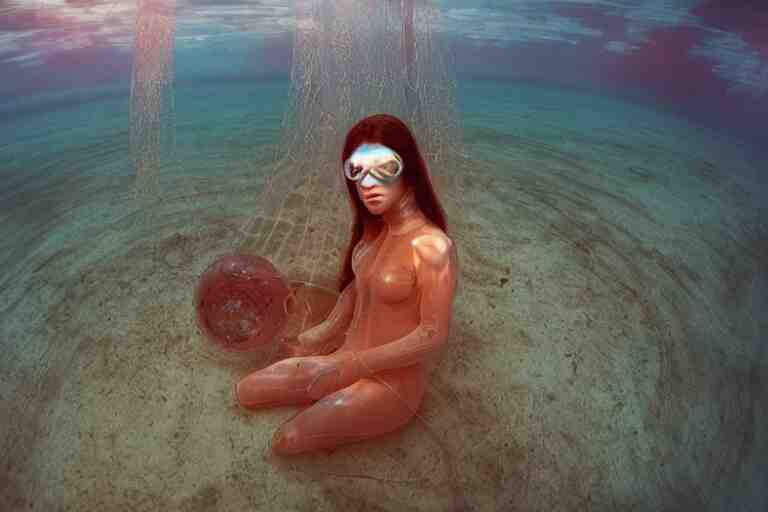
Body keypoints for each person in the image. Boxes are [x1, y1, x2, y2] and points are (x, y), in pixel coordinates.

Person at [235, 113, 459, 455]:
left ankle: (350, 400)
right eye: (357, 170)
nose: (368, 183)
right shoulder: (373, 234)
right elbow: (358, 290)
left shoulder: (431, 246)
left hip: (391, 382)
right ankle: (333, 382)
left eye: (383, 168)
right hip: (343, 359)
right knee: (246, 391)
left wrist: (355, 366)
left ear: (409, 168)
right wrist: (320, 334)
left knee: (288, 440)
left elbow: (433, 335)